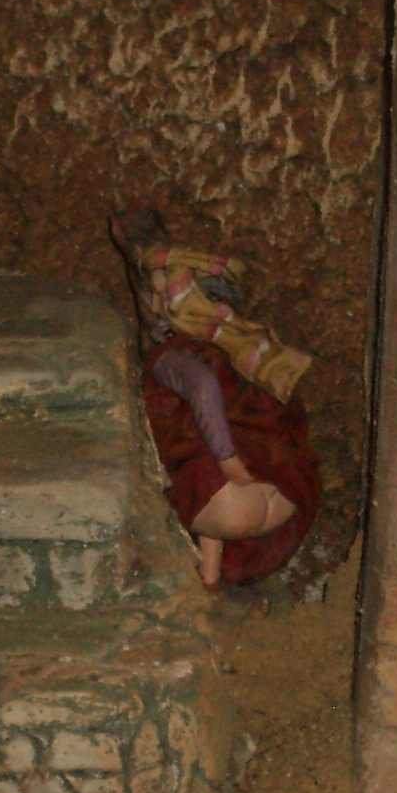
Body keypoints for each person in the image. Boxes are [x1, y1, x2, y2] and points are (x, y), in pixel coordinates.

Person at [111, 207, 320, 589]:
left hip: (230, 495)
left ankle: (209, 566)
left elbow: (202, 387)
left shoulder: (175, 355)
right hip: (288, 494)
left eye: (158, 295)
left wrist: (229, 461)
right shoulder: (248, 351)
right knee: (200, 452)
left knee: (185, 469)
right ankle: (210, 572)